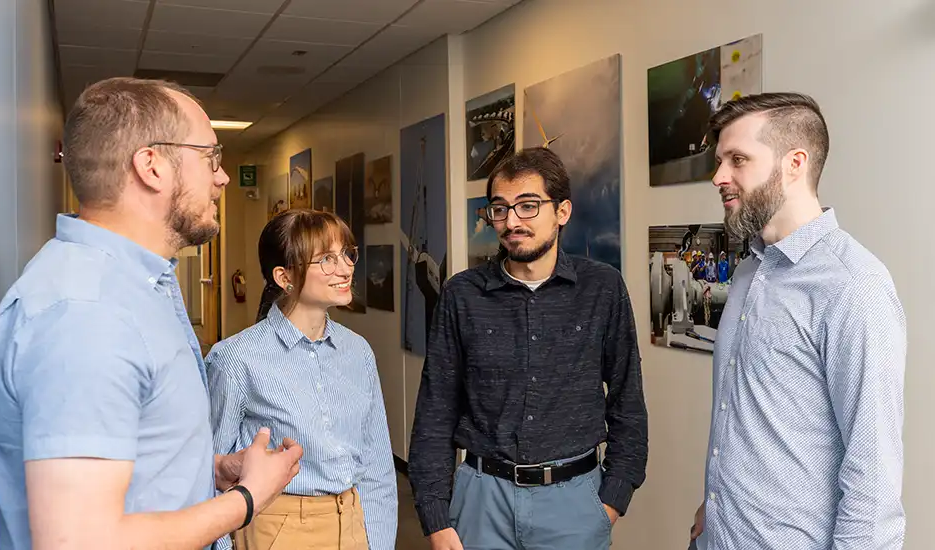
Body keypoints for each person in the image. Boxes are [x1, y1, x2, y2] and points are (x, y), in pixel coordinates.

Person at [0, 77, 303, 550]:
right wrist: (247, 498)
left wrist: (211, 469)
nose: (223, 177)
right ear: (151, 166)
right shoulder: (86, 317)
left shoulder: (137, 287)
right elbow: (82, 542)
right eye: (210, 157)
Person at [689, 92, 907, 549]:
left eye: (737, 159)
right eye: (719, 160)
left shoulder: (854, 286)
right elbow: (753, 421)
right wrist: (716, 506)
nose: (718, 177)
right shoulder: (750, 269)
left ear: (795, 163)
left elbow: (874, 478)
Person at [408, 147, 649, 550]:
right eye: (499, 209)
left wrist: (612, 499)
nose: (511, 221)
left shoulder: (602, 289)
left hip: (575, 501)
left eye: (528, 206)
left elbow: (628, 401)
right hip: (481, 499)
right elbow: (435, 410)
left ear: (562, 211)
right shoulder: (462, 294)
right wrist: (435, 515)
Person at [207, 208, 397, 550]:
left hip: (352, 525)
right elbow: (212, 478)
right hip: (277, 529)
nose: (345, 269)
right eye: (326, 259)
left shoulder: (358, 352)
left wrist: (378, 544)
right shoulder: (235, 358)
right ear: (285, 276)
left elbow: (377, 466)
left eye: (346, 254)